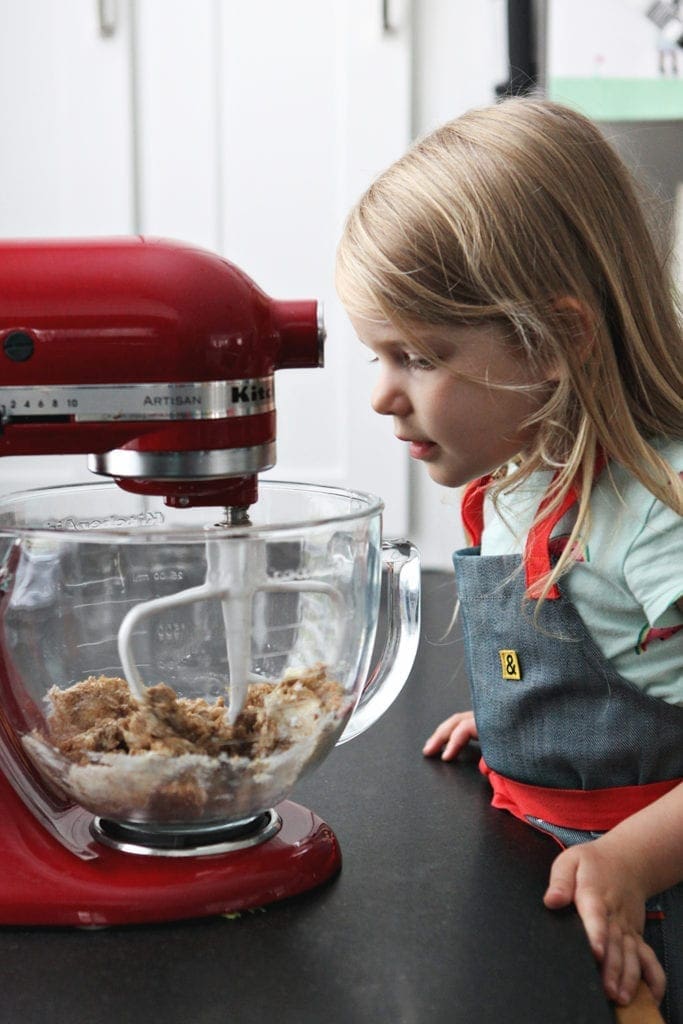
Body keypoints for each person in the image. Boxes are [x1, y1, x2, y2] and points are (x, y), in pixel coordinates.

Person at [335, 97, 683, 1020]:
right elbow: (597, 657)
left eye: (416, 355)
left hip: (644, 899)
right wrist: (525, 714)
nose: (381, 396)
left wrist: (630, 859)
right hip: (539, 852)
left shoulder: (657, 521)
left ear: (556, 342)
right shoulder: (524, 472)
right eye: (379, 355)